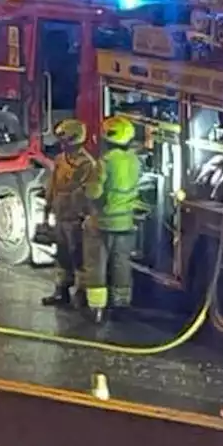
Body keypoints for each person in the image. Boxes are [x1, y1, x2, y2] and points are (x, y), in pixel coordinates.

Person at [81, 116, 141, 323]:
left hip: (103, 223)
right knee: (121, 264)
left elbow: (94, 193)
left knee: (96, 265)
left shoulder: (104, 163)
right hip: (126, 222)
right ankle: (121, 305)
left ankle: (96, 309)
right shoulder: (134, 160)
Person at [41, 118, 96, 307]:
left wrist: (84, 215)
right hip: (61, 215)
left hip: (76, 219)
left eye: (65, 142)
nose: (62, 146)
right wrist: (47, 208)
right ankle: (61, 291)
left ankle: (81, 294)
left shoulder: (86, 165)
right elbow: (53, 185)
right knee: (62, 255)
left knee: (78, 256)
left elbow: (88, 194)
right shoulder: (60, 160)